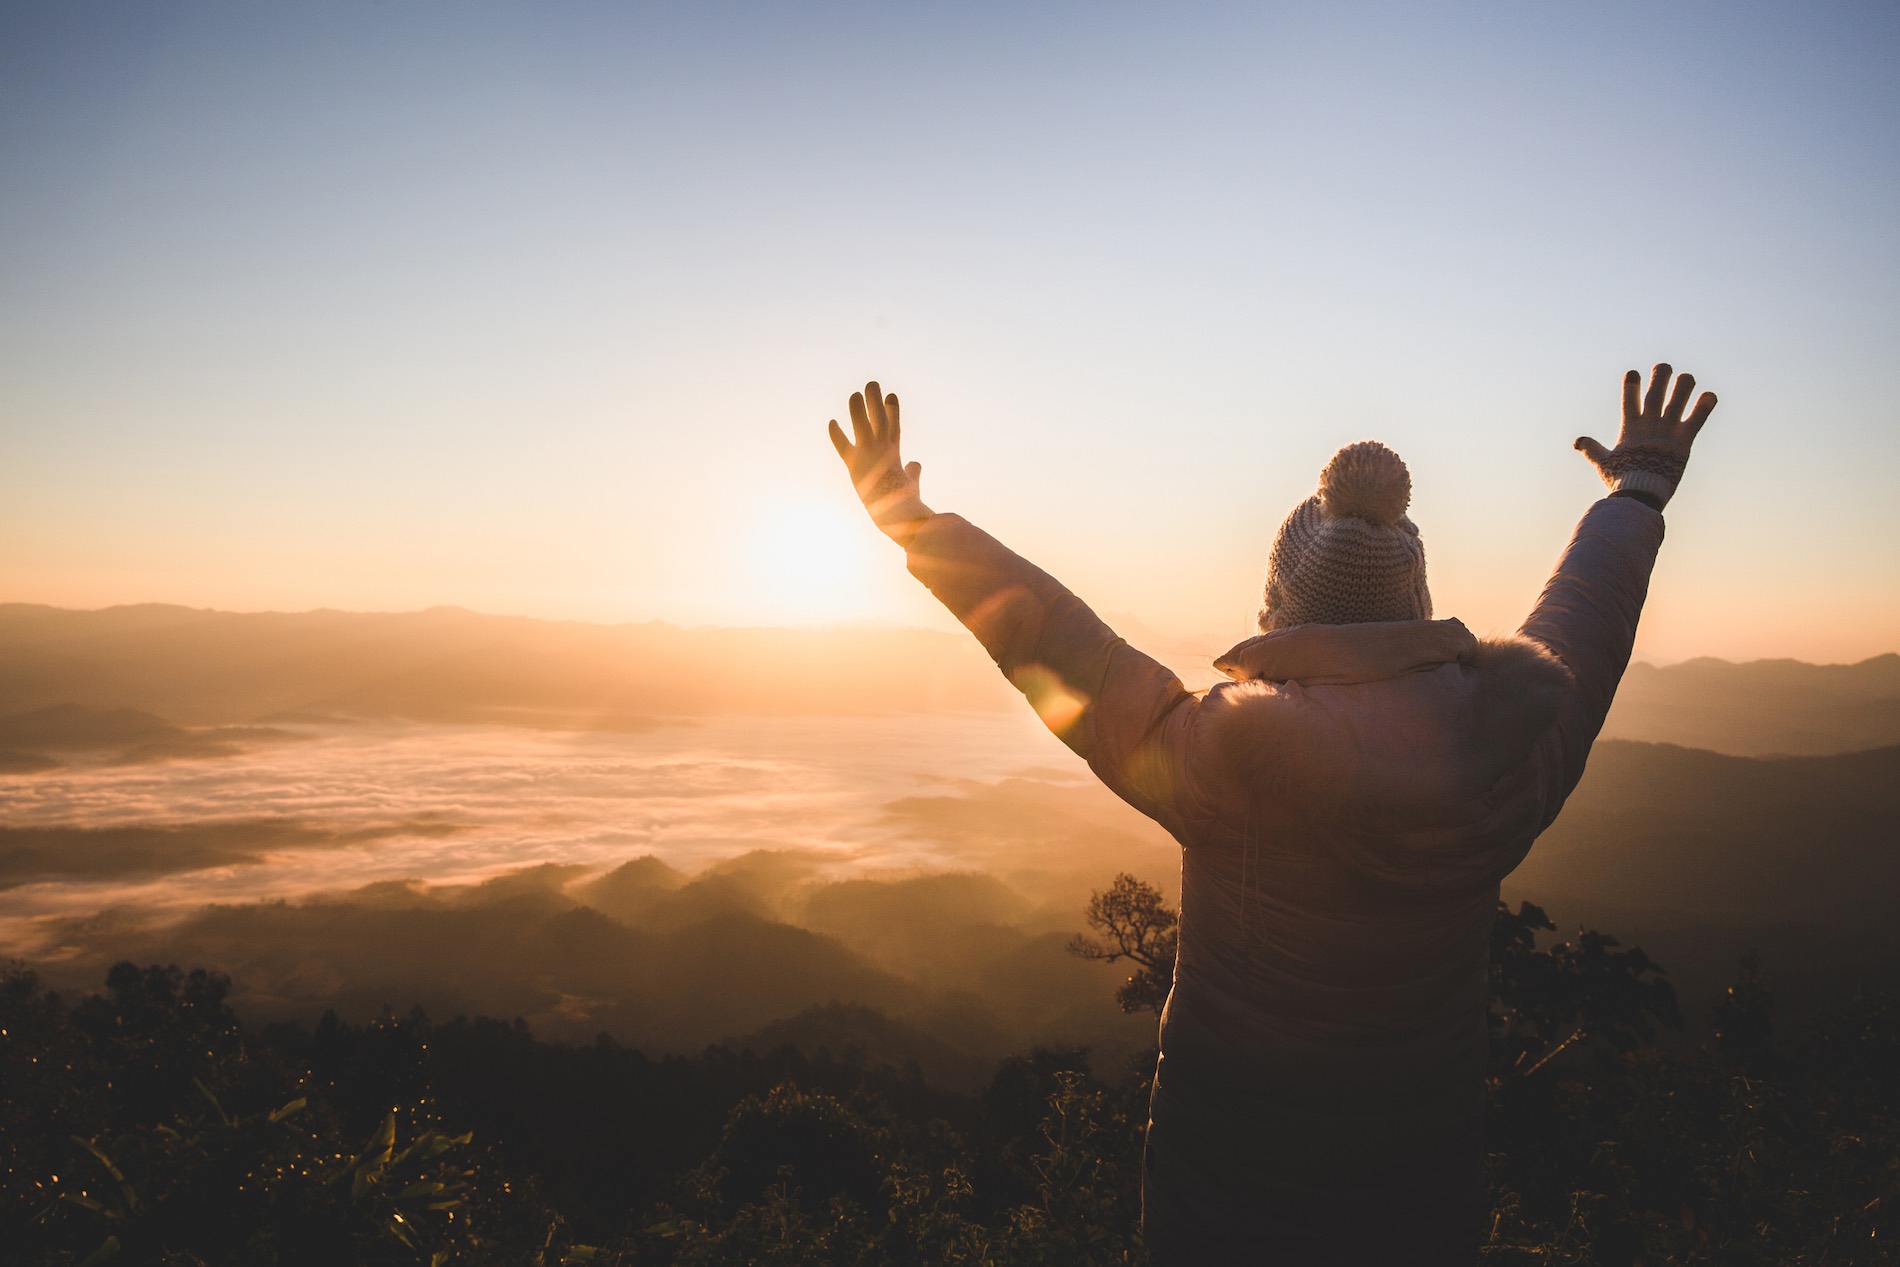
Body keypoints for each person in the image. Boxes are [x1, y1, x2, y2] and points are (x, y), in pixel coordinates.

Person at [828, 365, 1716, 1264]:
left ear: (1283, 610)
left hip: (1221, 1211)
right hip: (1419, 1210)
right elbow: (1583, 624)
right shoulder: (1506, 748)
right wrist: (1635, 494)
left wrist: (911, 520)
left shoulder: (1222, 760)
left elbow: (1062, 644)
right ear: (1411, 600)